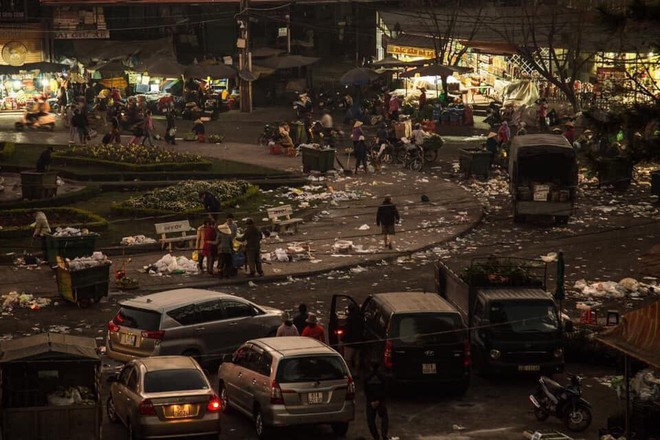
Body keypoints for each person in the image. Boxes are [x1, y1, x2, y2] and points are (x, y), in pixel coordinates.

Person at [364, 362, 390, 440]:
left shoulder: (367, 377)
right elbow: (385, 389)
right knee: (384, 417)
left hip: (371, 402)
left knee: (371, 421)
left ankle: (376, 437)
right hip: (380, 401)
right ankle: (384, 434)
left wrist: (371, 401)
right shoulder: (382, 377)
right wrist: (379, 400)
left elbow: (366, 391)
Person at [343, 302, 364, 378]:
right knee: (357, 358)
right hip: (358, 341)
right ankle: (356, 372)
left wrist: (342, 339)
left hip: (349, 342)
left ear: (349, 310)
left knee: (347, 359)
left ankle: (349, 373)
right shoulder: (361, 319)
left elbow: (347, 331)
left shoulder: (349, 319)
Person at [216, 213, 237, 278]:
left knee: (226, 261)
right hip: (225, 247)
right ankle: (223, 273)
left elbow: (234, 234)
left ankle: (225, 273)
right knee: (224, 261)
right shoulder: (224, 227)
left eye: (231, 220)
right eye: (229, 220)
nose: (230, 221)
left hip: (226, 246)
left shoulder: (234, 226)